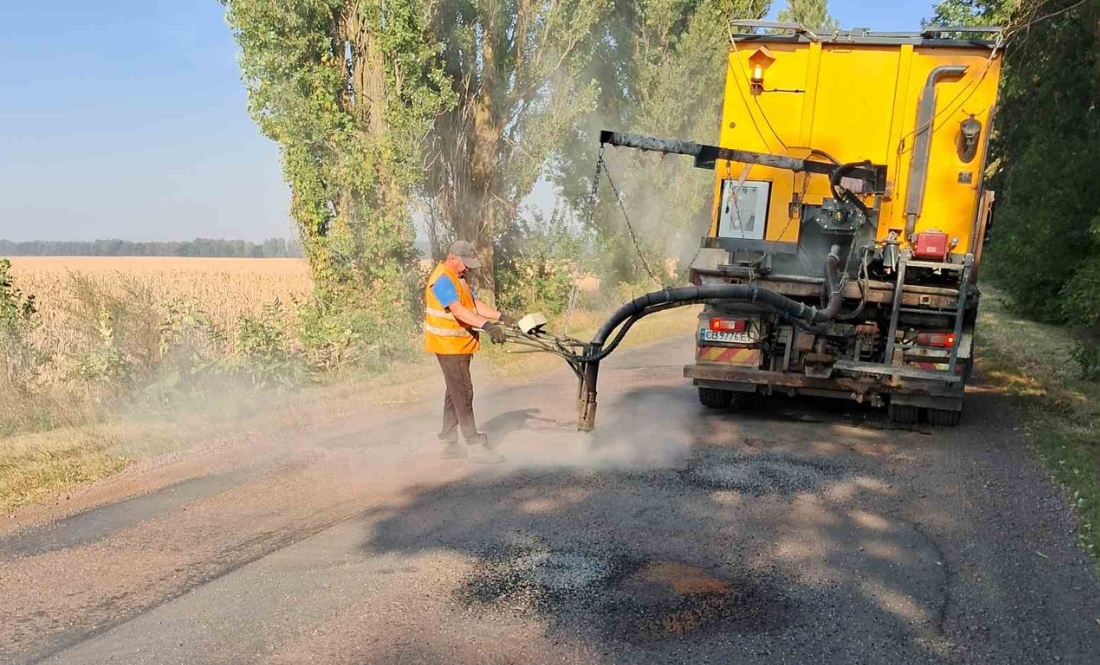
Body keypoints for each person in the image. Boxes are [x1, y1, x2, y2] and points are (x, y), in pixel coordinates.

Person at [424, 240, 517, 462]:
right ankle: (475, 445)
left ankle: (449, 442)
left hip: (458, 346)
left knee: (454, 392)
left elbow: (474, 305)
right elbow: (458, 311)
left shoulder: (459, 279)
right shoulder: (443, 280)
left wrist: (500, 317)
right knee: (464, 393)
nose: (467, 268)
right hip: (449, 347)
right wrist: (486, 326)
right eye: (464, 263)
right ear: (452, 258)